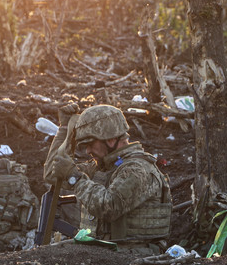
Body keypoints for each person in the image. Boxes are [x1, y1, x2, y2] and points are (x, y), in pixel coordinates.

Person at [43, 104, 172, 250]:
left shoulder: (138, 169)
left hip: (134, 256)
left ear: (110, 140)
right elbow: (52, 175)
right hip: (103, 255)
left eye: (90, 143)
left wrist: (75, 177)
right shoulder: (101, 166)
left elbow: (109, 207)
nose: (88, 150)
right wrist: (65, 130)